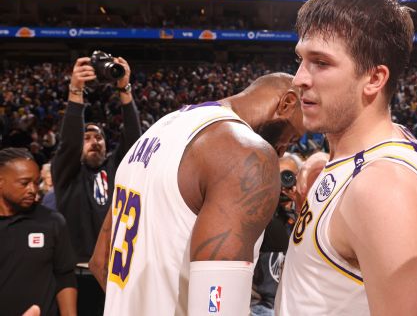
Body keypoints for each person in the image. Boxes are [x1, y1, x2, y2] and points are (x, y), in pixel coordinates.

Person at [276, 0, 417, 315]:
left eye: (320, 63)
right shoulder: (365, 160)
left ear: (374, 79)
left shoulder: (382, 188)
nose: (299, 79)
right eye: (301, 60)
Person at [89, 72, 305, 315]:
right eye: (293, 138)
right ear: (286, 104)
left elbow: (100, 262)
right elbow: (216, 307)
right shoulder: (245, 152)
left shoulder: (159, 129)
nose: (284, 150)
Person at [51, 55, 141, 314]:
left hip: (116, 276)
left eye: (98, 137)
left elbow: (135, 139)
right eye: (87, 137)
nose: (94, 141)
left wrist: (124, 89)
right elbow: (68, 143)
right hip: (74, 278)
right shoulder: (67, 175)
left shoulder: (116, 170)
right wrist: (75, 92)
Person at [0, 147, 77, 316]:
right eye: (24, 183)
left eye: (36, 182)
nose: (33, 190)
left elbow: (64, 276)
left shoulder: (52, 221)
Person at [251, 152, 303, 316]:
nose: (282, 183)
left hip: (295, 305)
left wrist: (301, 203)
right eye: (275, 177)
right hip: (262, 306)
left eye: (288, 176)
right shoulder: (258, 214)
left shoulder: (307, 215)